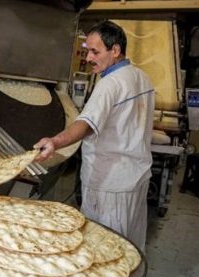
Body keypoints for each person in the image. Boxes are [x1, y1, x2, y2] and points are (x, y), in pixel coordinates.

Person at [34, 20, 155, 252]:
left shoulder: (110, 84)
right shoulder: (142, 77)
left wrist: (55, 141)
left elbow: (85, 124)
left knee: (103, 250)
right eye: (87, 50)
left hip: (109, 184)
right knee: (130, 245)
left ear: (116, 50)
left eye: (94, 51)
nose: (88, 58)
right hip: (136, 177)